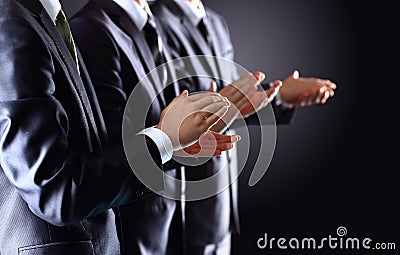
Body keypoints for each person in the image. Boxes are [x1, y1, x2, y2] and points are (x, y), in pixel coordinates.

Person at [0, 0, 235, 254]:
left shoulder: (45, 17)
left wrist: (173, 145)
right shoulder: (12, 24)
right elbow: (55, 190)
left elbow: (88, 147)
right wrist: (164, 139)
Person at [68, 0, 262, 254]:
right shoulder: (90, 28)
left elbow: (167, 107)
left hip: (172, 214)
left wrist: (190, 131)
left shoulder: (147, 22)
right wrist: (178, 134)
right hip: (136, 226)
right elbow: (110, 143)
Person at [151, 0, 338, 254]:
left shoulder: (216, 22)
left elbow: (234, 106)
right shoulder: (155, 22)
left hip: (222, 205)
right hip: (183, 207)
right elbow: (171, 115)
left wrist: (280, 95)